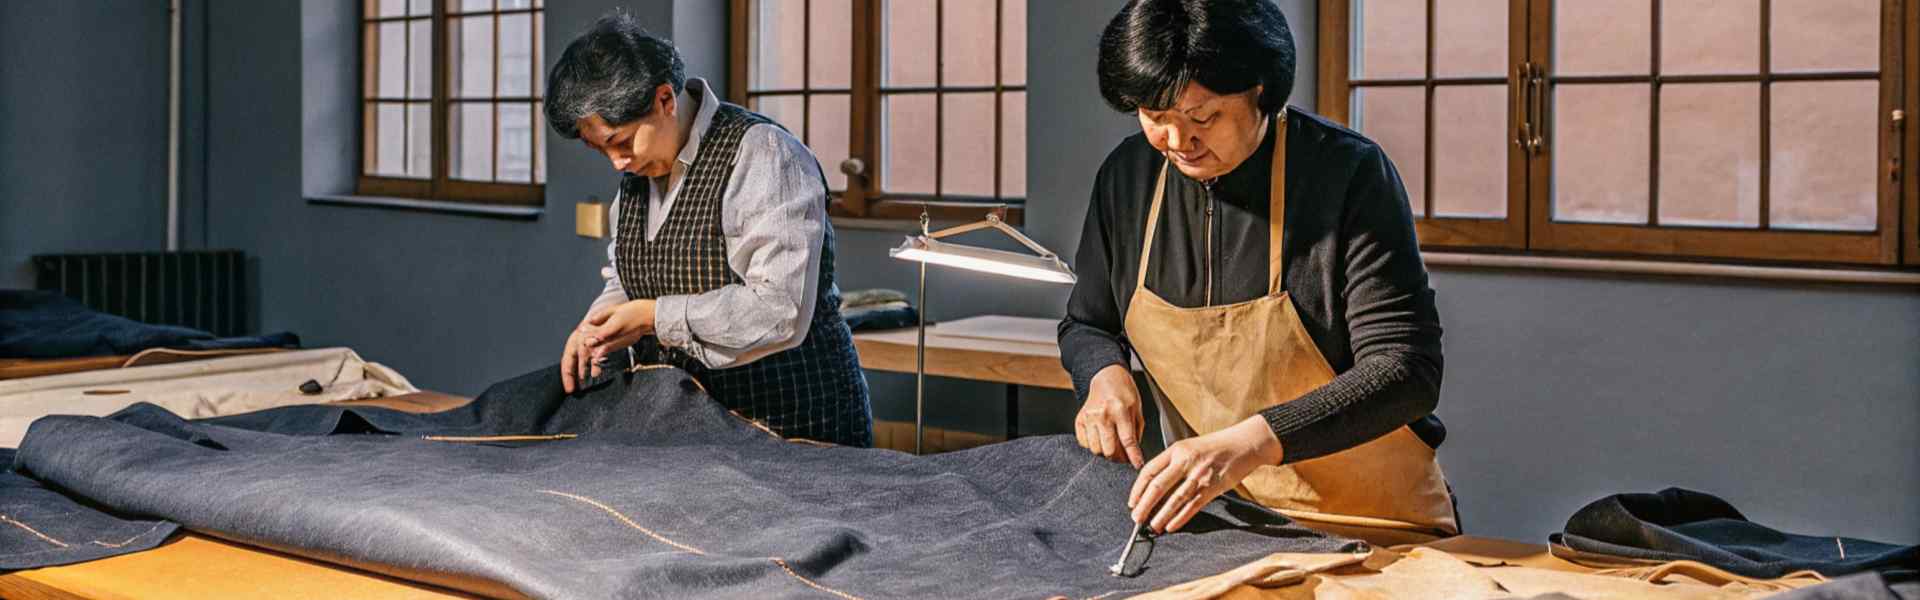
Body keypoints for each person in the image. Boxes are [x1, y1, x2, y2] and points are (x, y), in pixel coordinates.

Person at [1059, 0, 1457, 540]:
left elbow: (1405, 370)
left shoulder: (1348, 175)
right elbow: (1088, 323)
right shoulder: (1127, 180)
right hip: (1222, 525)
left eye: (1204, 117)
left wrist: (1249, 444)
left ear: (1261, 91)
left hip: (1373, 524)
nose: (1179, 143)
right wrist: (1103, 378)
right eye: (1157, 118)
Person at [545, 12, 872, 447]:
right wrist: (597, 327)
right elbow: (629, 280)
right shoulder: (635, 184)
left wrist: (652, 318)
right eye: (600, 149)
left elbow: (779, 310)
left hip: (795, 429)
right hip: (698, 434)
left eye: (622, 142)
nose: (617, 163)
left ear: (664, 100)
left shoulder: (764, 156)